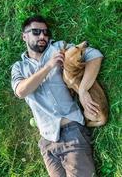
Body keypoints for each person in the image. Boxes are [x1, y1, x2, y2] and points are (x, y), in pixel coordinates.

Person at [11, 15, 103, 177]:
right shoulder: (19, 68)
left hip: (71, 133)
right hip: (46, 141)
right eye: (36, 32)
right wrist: (48, 66)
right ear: (24, 36)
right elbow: (21, 91)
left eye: (46, 33)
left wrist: (82, 90)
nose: (42, 36)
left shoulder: (59, 49)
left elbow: (94, 55)